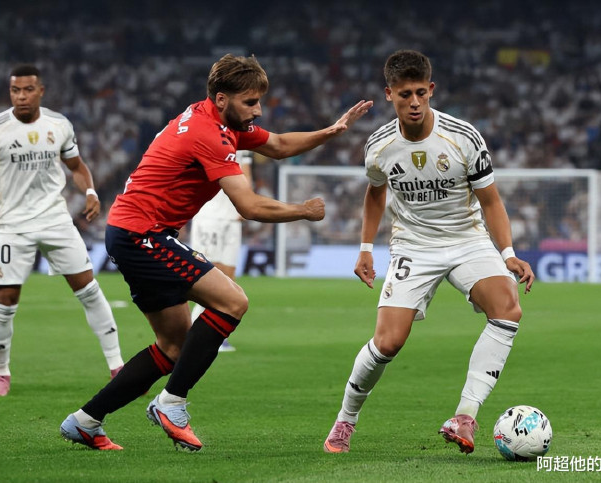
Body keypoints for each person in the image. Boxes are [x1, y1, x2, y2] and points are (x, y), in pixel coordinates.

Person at [60, 54, 373, 451]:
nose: (258, 111)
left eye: (259, 101)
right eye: (250, 102)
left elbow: (278, 145)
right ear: (222, 99)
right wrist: (303, 210)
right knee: (232, 301)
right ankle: (172, 403)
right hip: (143, 234)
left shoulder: (214, 118)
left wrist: (331, 131)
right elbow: (249, 206)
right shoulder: (208, 134)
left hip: (132, 231)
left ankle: (85, 421)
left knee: (173, 346)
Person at [323, 50, 535, 455]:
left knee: (508, 308)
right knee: (388, 342)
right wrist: (365, 248)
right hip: (413, 246)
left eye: (421, 92)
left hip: (467, 239)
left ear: (432, 89)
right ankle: (345, 420)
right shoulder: (379, 145)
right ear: (389, 94)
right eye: (405, 94)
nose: (415, 102)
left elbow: (490, 200)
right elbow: (375, 193)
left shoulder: (463, 137)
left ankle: (465, 416)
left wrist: (507, 252)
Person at [0, 65, 124, 397]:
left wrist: (91, 191)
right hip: (12, 226)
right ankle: (1, 374)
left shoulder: (58, 125)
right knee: (5, 300)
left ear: (40, 91)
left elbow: (77, 166)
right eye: (15, 90)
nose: (21, 96)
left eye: (28, 90)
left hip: (55, 220)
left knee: (89, 289)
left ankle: (118, 367)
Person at [187, 150, 255, 353]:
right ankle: (193, 335)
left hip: (231, 219)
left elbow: (246, 174)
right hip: (210, 217)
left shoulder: (244, 141)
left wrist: (246, 203)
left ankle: (209, 335)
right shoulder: (208, 139)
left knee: (228, 281)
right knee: (209, 279)